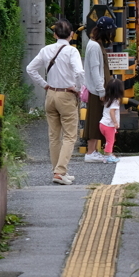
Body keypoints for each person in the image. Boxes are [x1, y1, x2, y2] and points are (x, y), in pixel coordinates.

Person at [26, 19, 85, 185]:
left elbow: (30, 69)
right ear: (72, 35)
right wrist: (78, 88)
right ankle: (60, 172)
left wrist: (44, 85)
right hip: (66, 95)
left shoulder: (46, 50)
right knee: (70, 136)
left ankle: (58, 171)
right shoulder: (72, 52)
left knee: (54, 136)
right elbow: (80, 72)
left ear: (54, 34)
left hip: (50, 95)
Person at [82, 16, 116, 162]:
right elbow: (96, 70)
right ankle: (90, 152)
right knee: (95, 120)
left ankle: (93, 150)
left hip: (97, 89)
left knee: (96, 119)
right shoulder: (95, 46)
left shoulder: (94, 43)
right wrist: (101, 90)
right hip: (97, 90)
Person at [99, 79, 125, 164]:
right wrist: (115, 122)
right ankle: (108, 156)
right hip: (108, 125)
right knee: (110, 140)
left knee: (109, 140)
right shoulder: (115, 101)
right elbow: (112, 112)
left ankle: (109, 154)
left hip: (103, 124)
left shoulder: (107, 99)